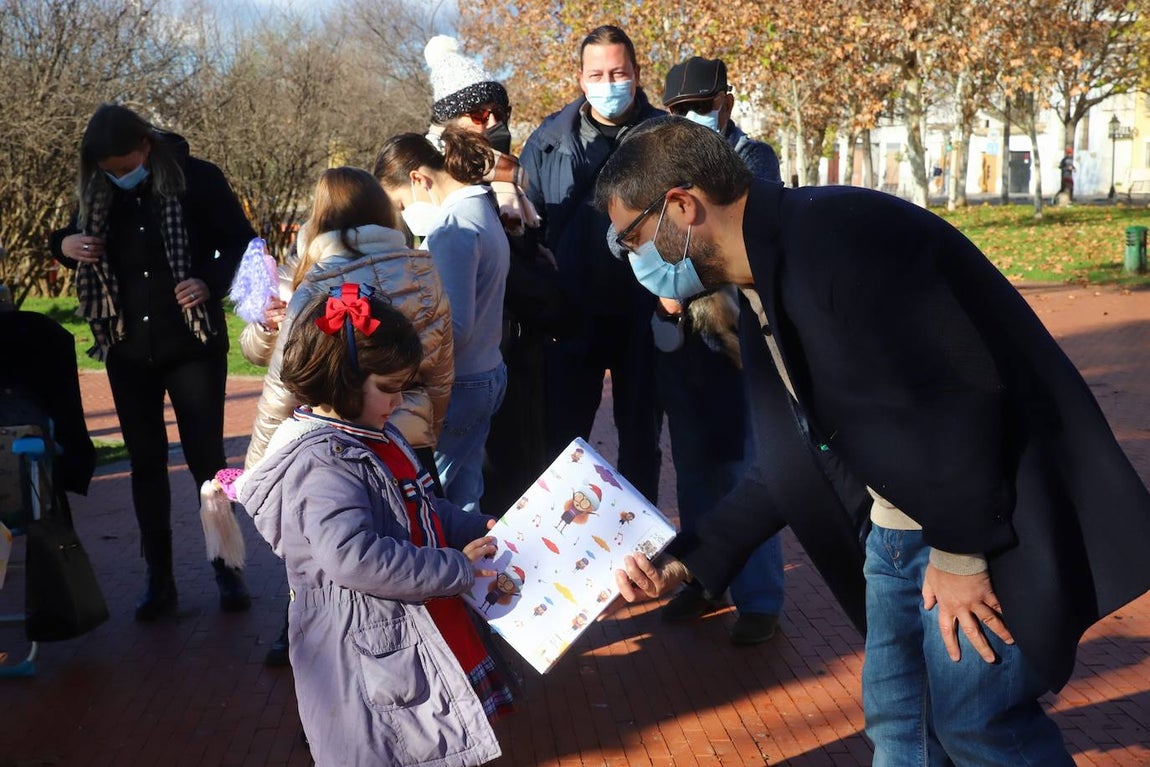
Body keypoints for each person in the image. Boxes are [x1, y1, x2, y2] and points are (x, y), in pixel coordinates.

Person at [604, 117, 1150, 765]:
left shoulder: (837, 241)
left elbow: (959, 395)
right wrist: (687, 558)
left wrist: (961, 554)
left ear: (681, 206)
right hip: (896, 538)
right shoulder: (757, 280)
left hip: (979, 529)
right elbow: (791, 454)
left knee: (978, 724)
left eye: (631, 237)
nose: (632, 259)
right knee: (901, 728)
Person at [236, 286, 511, 766]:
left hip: (415, 625)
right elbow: (353, 556)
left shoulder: (376, 435)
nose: (399, 400)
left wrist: (475, 526)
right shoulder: (323, 460)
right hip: (371, 649)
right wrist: (453, 568)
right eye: (388, 388)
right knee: (399, 750)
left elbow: (422, 504)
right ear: (342, 380)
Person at [50, 103, 255, 621]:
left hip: (191, 342)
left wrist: (208, 281)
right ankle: (158, 581)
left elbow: (240, 242)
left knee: (207, 460)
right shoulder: (97, 190)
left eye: (125, 165)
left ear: (145, 147)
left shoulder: (197, 178)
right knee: (145, 462)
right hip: (126, 347)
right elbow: (70, 238)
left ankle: (227, 569)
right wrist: (63, 244)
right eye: (109, 170)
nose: (119, 177)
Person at [242, 167, 454, 666]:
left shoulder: (318, 275)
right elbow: (444, 367)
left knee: (343, 552)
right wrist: (427, 425)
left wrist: (259, 470)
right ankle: (439, 644)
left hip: (340, 438)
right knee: (417, 534)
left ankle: (320, 648)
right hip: (411, 439)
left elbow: (280, 383)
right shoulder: (423, 267)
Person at [649, 56, 786, 644]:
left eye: (702, 106)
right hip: (685, 342)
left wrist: (674, 257)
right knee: (696, 469)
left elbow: (741, 235)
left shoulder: (753, 158)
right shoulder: (658, 162)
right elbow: (625, 235)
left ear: (727, 101)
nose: (692, 118)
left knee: (746, 470)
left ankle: (760, 600)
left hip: (742, 343)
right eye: (680, 110)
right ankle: (705, 580)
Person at [421, 35, 569, 516]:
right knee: (472, 487)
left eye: (499, 110)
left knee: (520, 475)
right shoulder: (435, 183)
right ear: (451, 121)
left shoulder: (507, 176)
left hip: (515, 357)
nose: (494, 123)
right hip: (469, 366)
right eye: (480, 114)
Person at [519, 24, 664, 503]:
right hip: (571, 317)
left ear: (637, 74)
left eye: (618, 72)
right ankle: (568, 559)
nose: (609, 83)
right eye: (597, 74)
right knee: (565, 447)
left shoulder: (667, 137)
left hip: (647, 315)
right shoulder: (545, 143)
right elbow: (527, 232)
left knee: (642, 443)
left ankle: (641, 556)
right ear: (580, 79)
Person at [375, 129, 510, 514]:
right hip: (485, 370)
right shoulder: (479, 207)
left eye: (400, 204)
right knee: (465, 489)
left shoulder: (453, 226)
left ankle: (461, 571)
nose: (403, 215)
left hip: (463, 379)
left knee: (449, 499)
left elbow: (455, 324)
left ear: (418, 179)